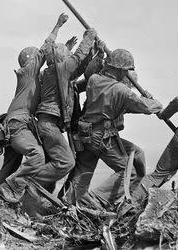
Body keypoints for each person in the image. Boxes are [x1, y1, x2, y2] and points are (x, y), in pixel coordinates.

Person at [64, 49, 162, 207]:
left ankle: (70, 202)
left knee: (84, 171)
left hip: (85, 134)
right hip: (102, 136)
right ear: (122, 70)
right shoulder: (121, 90)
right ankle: (96, 200)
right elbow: (146, 108)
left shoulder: (94, 80)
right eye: (126, 71)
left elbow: (116, 103)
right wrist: (154, 101)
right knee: (129, 172)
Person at [0, 13, 69, 201]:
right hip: (19, 124)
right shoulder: (28, 71)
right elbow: (45, 48)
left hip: (14, 124)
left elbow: (54, 65)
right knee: (37, 155)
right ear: (31, 59)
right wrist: (58, 26)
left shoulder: (32, 78)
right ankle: (12, 188)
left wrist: (66, 51)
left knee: (9, 166)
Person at [30, 27, 98, 191]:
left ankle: (34, 191)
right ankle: (25, 181)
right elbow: (78, 58)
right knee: (66, 162)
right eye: (67, 56)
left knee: (55, 164)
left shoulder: (54, 73)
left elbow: (80, 66)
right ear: (62, 59)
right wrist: (89, 37)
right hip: (49, 124)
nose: (70, 58)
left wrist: (94, 53)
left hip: (48, 124)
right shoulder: (60, 70)